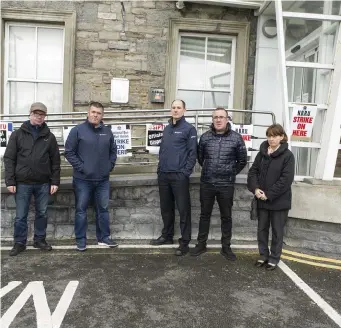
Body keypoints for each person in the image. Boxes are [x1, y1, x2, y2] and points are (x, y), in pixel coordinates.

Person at [4, 102, 61, 256]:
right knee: (21, 215)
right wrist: (10, 181)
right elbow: (9, 159)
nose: (39, 117)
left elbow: (55, 160)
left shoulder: (49, 137)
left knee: (42, 213)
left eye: (42, 114)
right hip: (22, 183)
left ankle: (39, 239)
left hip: (43, 183)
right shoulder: (17, 135)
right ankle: (19, 243)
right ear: (30, 114)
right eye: (36, 114)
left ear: (45, 117)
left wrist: (55, 181)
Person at [191, 107, 247, 260]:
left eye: (221, 117)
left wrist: (229, 172)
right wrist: (210, 170)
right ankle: (201, 244)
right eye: (215, 117)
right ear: (212, 119)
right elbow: (201, 158)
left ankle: (226, 247)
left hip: (226, 184)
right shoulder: (205, 137)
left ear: (227, 119)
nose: (218, 119)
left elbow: (242, 161)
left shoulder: (236, 138)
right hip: (207, 183)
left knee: (226, 216)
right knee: (204, 215)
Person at [64, 101, 118, 251]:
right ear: (88, 113)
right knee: (81, 210)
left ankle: (104, 237)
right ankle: (81, 239)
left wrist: (109, 166)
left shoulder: (107, 131)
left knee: (103, 209)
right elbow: (69, 151)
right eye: (93, 112)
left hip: (102, 180)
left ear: (102, 115)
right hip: (83, 180)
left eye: (99, 113)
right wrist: (82, 168)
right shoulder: (77, 130)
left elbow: (113, 151)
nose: (95, 115)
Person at [150, 99, 197, 256]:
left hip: (179, 175)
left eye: (179, 108)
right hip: (164, 174)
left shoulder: (189, 129)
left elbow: (192, 153)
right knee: (166, 209)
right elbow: (163, 150)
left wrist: (185, 172)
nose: (175, 110)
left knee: (183, 210)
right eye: (173, 107)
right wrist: (159, 169)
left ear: (184, 110)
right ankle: (167, 235)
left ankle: (184, 242)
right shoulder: (167, 128)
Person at [247, 124, 295, 271]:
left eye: (275, 136)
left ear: (282, 137)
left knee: (277, 231)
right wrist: (255, 189)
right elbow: (253, 172)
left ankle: (274, 257)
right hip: (261, 199)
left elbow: (286, 179)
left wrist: (268, 194)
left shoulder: (288, 156)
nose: (271, 139)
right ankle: (263, 255)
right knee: (262, 230)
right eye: (269, 136)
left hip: (278, 202)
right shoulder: (262, 153)